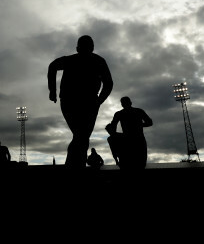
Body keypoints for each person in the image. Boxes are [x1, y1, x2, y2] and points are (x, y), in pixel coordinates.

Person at [48, 35, 113, 168]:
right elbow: (108, 84)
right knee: (81, 135)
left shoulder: (91, 61)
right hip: (75, 101)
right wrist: (52, 90)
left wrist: (99, 100)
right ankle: (74, 166)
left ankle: (74, 165)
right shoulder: (94, 60)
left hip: (82, 101)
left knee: (81, 136)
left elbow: (109, 84)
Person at [106, 96, 152, 170]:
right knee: (140, 165)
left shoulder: (119, 114)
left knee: (127, 166)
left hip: (127, 140)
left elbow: (112, 129)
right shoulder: (139, 111)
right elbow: (150, 122)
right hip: (139, 140)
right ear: (130, 103)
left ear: (122, 104)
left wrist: (112, 132)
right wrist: (139, 125)